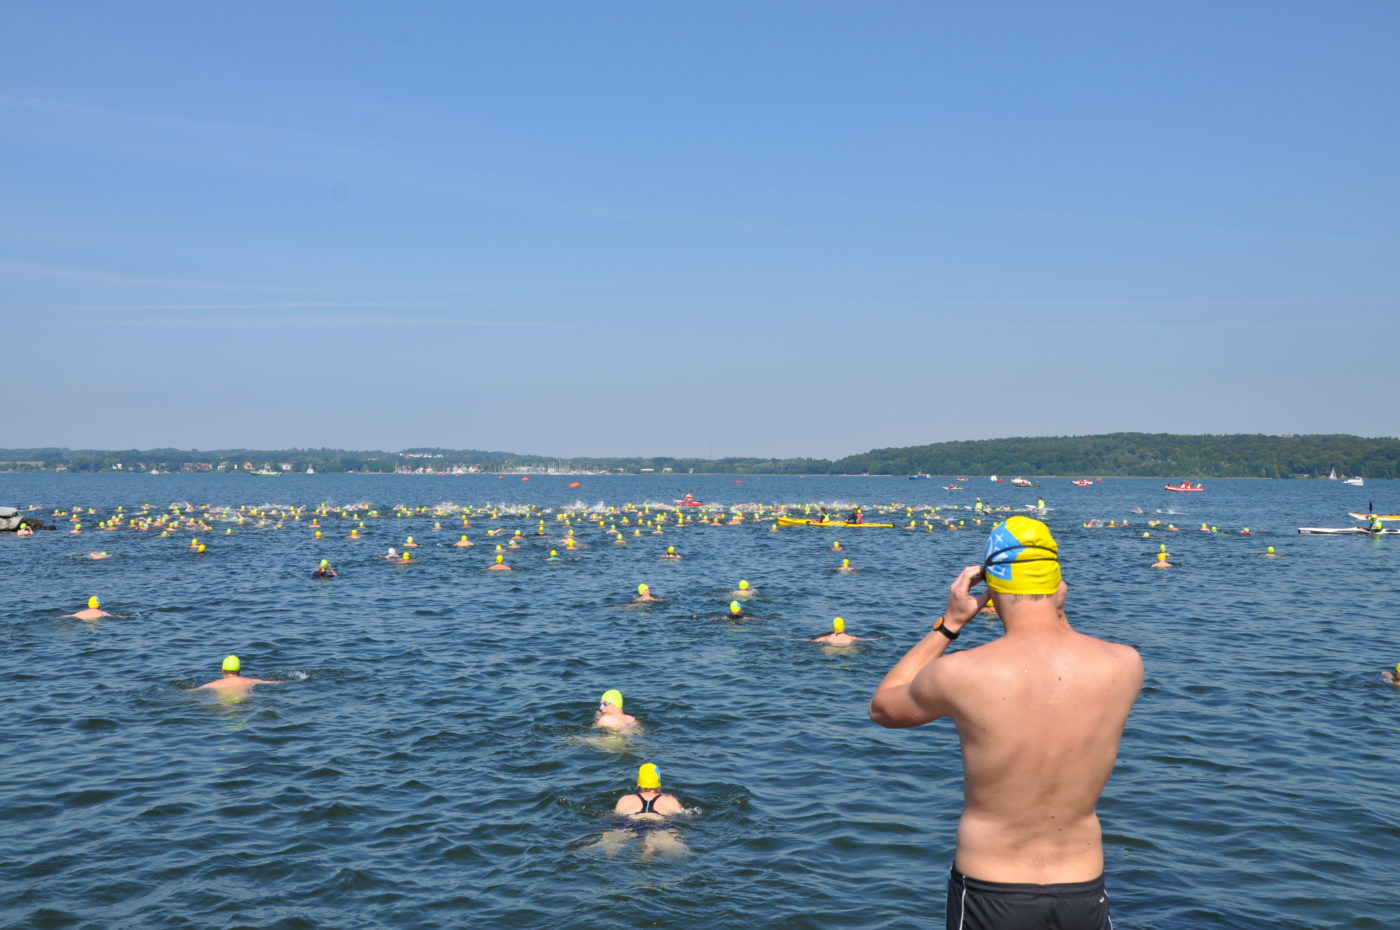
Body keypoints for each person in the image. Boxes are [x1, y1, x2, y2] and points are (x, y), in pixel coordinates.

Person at [868, 516, 1142, 930]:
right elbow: (1058, 661)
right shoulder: (1124, 664)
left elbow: (884, 709)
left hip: (991, 886)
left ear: (991, 588)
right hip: (1082, 886)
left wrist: (950, 624)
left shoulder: (961, 674)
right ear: (1058, 584)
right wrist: (1058, 606)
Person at [194, 655, 280, 692]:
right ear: (239, 670)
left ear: (222, 670)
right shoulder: (251, 681)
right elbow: (275, 683)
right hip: (245, 705)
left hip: (225, 708)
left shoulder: (213, 685)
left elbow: (192, 691)